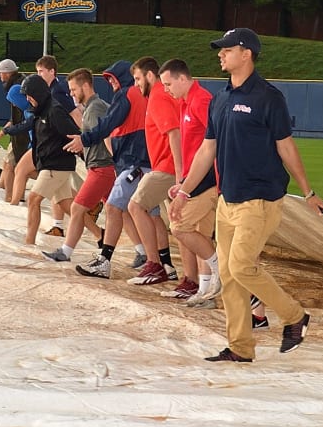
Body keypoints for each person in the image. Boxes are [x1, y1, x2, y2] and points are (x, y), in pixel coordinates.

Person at [170, 28, 323, 362]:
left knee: (241, 266)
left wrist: (308, 191)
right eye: (220, 50)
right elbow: (206, 151)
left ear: (246, 53)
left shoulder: (269, 98)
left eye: (226, 49)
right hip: (227, 201)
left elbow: (285, 146)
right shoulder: (221, 98)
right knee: (229, 277)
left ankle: (295, 316)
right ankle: (240, 347)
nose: (220, 54)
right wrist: (183, 191)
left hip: (260, 200)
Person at [66, 60, 151, 278]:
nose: (111, 83)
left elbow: (107, 128)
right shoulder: (139, 96)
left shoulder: (124, 96)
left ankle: (95, 257)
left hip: (126, 162)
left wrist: (84, 140)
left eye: (113, 78)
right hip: (134, 161)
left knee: (110, 208)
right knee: (136, 211)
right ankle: (158, 261)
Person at [161, 59, 222, 305]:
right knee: (201, 235)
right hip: (196, 180)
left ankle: (219, 270)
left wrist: (192, 185)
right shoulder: (187, 102)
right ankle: (206, 293)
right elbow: (194, 149)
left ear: (183, 79)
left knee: (179, 227)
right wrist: (184, 181)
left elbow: (213, 144)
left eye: (168, 84)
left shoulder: (201, 100)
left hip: (205, 182)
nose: (166, 89)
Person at [43, 69, 112, 263]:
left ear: (85, 86)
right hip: (102, 166)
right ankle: (144, 253)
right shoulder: (95, 107)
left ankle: (65, 252)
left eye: (73, 89)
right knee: (120, 211)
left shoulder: (95, 108)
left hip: (101, 167)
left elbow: (106, 134)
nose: (71, 94)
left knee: (77, 208)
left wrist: (84, 142)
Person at [125, 56, 180, 288]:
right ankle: (186, 276)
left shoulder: (158, 96)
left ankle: (154, 264)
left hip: (167, 168)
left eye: (138, 78)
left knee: (135, 206)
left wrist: (180, 174)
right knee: (179, 225)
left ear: (150, 75)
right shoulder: (161, 96)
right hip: (168, 166)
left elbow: (174, 132)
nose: (136, 84)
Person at [20, 73, 79, 246]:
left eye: (29, 96)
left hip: (56, 164)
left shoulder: (54, 110)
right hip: (51, 163)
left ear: (37, 94)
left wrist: (81, 152)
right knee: (68, 205)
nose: (28, 100)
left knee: (33, 199)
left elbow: (73, 133)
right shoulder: (42, 111)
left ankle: (29, 241)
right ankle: (100, 235)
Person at [0, 59, 27, 195]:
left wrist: (2, 133)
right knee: (9, 163)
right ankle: (2, 188)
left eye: (0, 72)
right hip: (20, 131)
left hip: (22, 133)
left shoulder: (17, 88)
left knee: (11, 165)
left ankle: (10, 197)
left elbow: (19, 116)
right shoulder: (21, 83)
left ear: (7, 73)